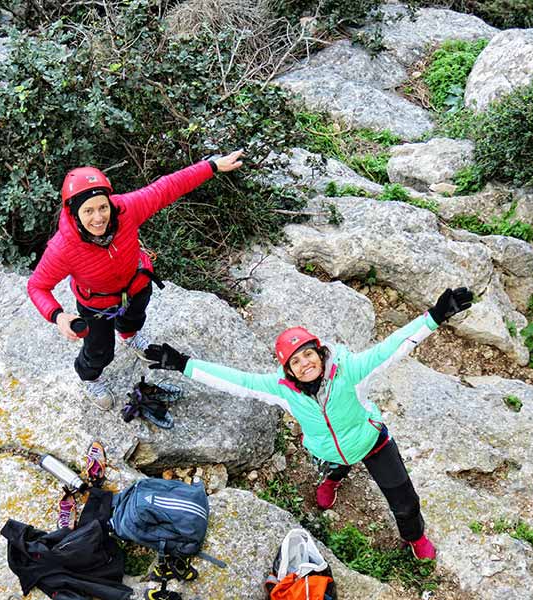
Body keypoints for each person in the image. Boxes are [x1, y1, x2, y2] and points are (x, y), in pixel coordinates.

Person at [143, 287, 474, 560]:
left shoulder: (350, 371)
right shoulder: (282, 391)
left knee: (405, 503)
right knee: (335, 464)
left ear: (320, 352)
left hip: (371, 441)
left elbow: (393, 346)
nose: (304, 364)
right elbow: (235, 380)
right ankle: (333, 479)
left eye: (308, 354)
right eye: (295, 361)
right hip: (329, 450)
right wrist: (184, 365)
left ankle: (414, 540)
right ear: (287, 370)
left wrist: (434, 316)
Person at [27, 151, 244, 410]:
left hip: (137, 285)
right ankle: (90, 378)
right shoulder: (63, 247)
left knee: (134, 318)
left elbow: (168, 187)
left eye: (102, 207)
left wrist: (211, 166)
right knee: (99, 351)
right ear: (74, 213)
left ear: (110, 203)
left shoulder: (126, 210)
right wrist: (58, 316)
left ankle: (129, 336)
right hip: (97, 307)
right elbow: (37, 286)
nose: (98, 218)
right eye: (88, 211)